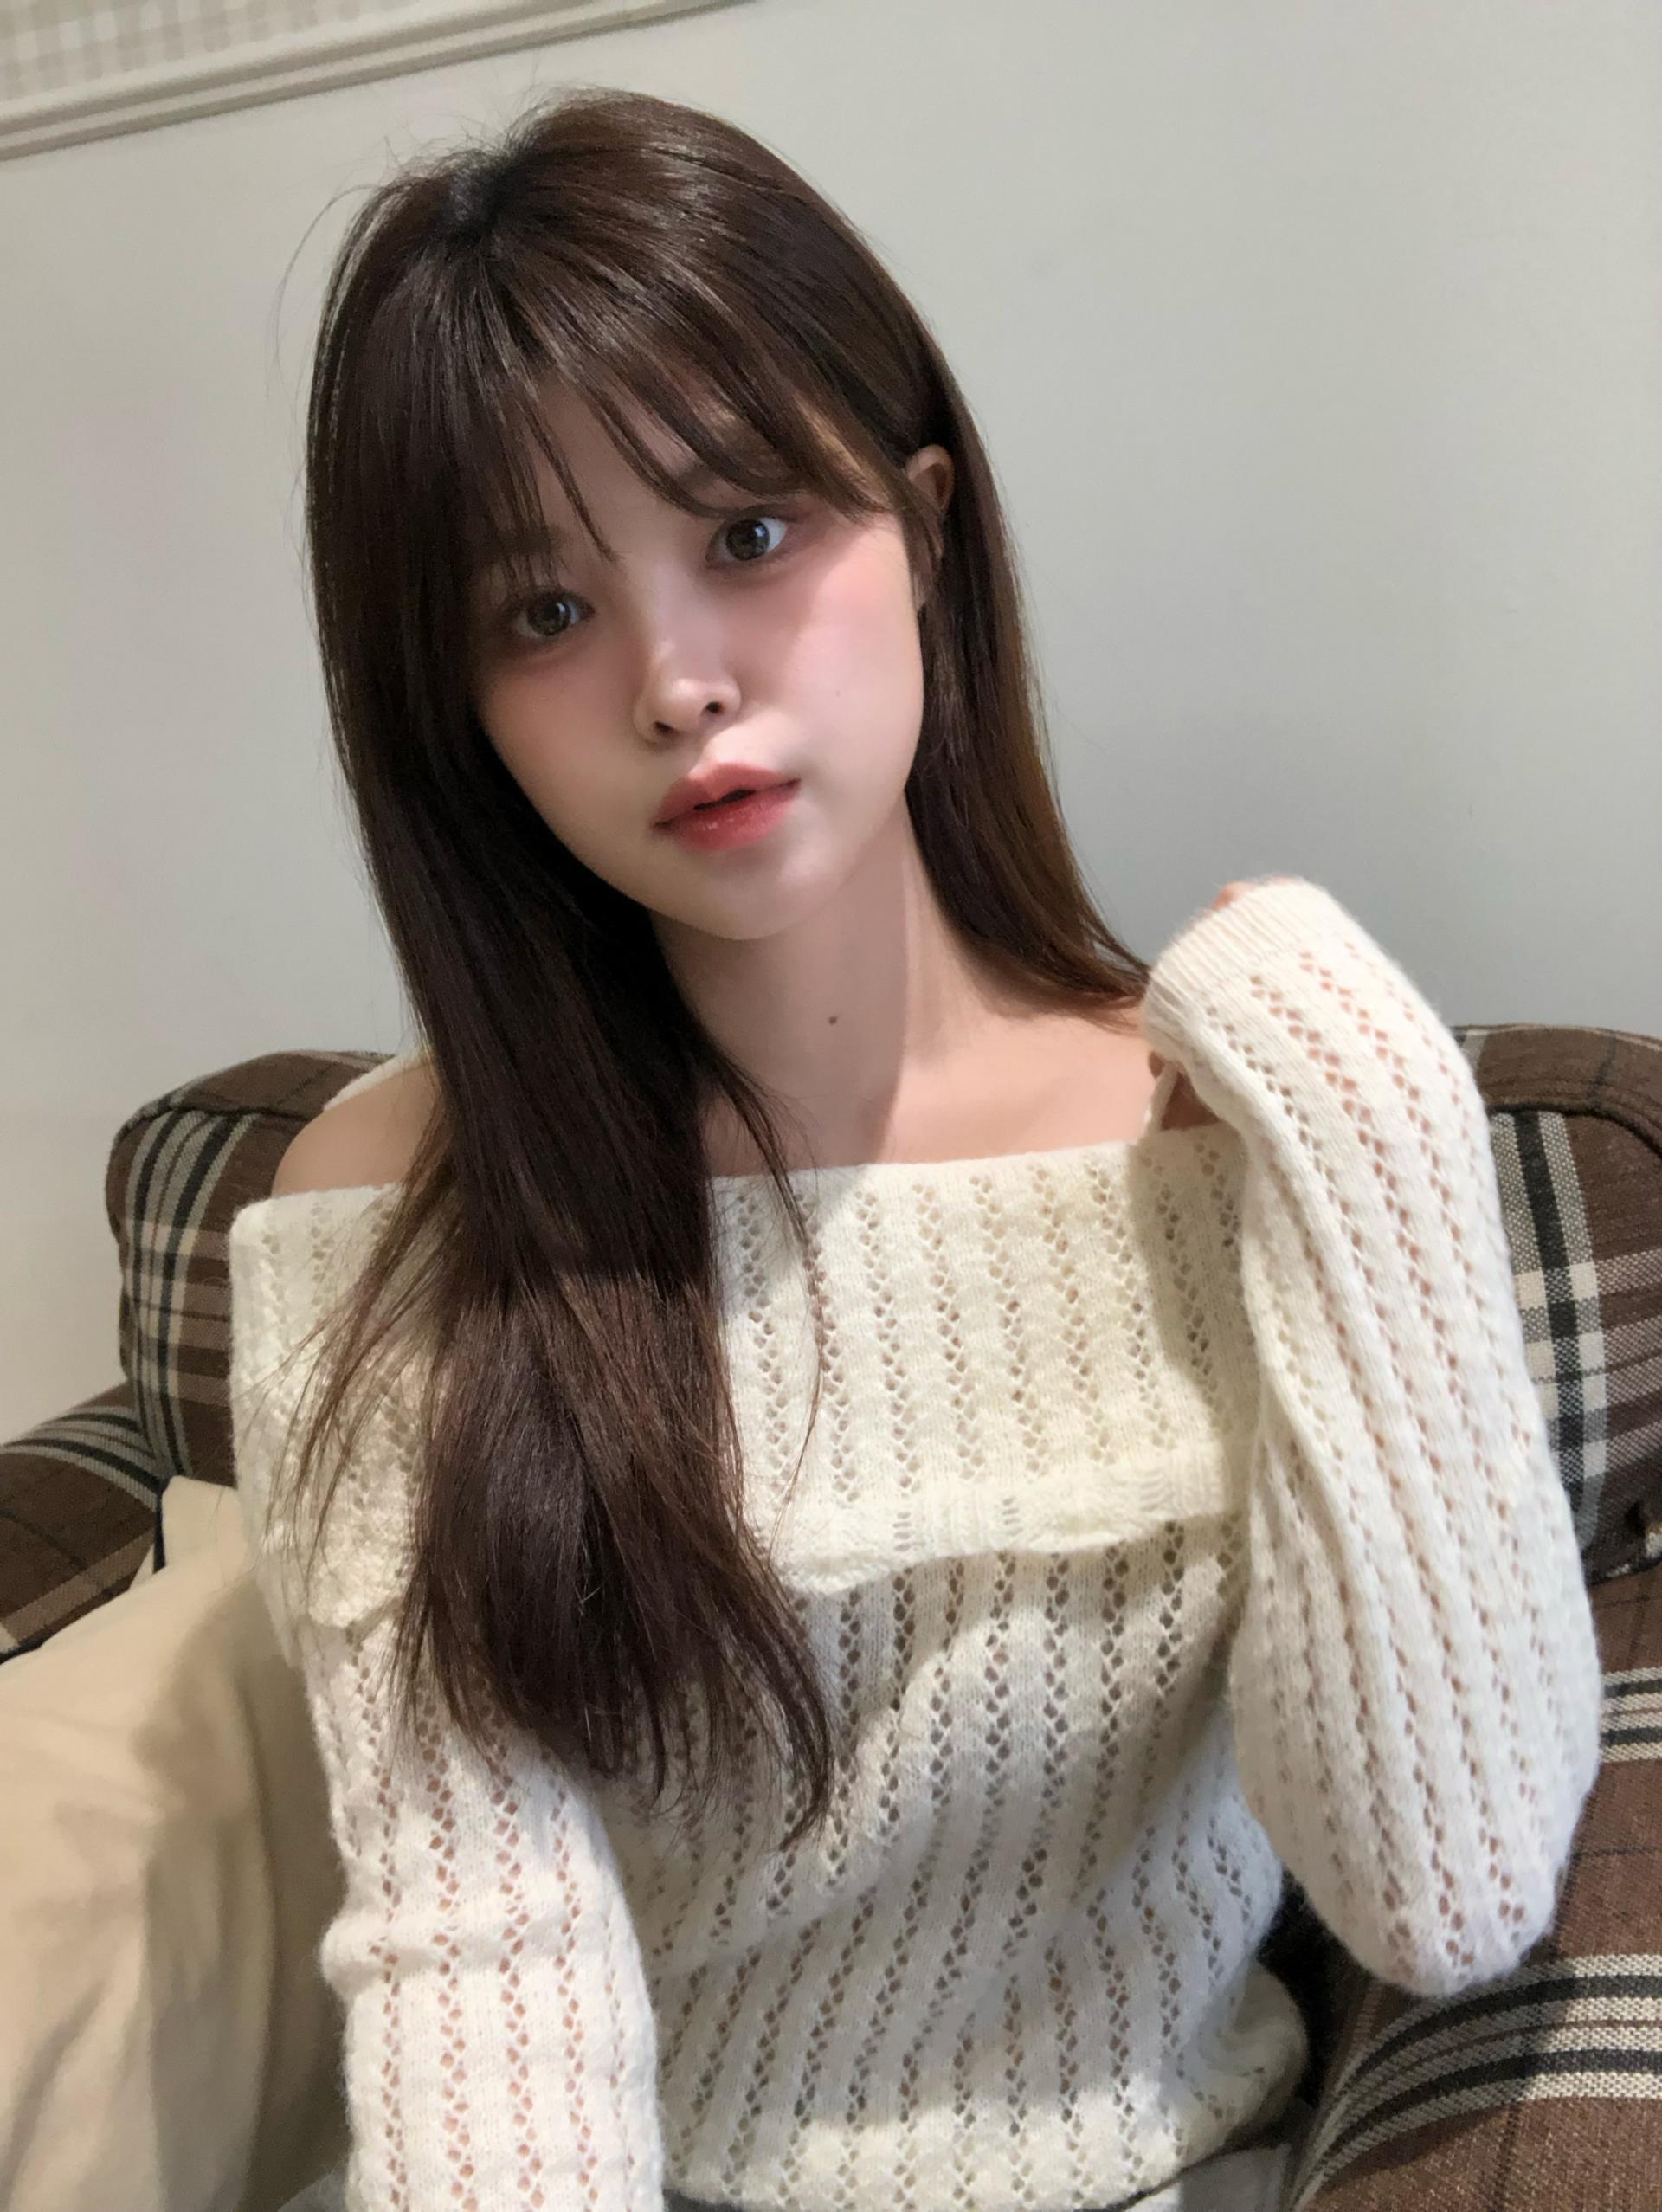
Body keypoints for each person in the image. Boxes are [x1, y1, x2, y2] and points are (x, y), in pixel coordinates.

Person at [229, 86, 1605, 2212]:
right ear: (459, 715)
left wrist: (1370, 1117)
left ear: (927, 527)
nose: (675, 683)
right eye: (541, 614)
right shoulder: (385, 1216)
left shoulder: (1227, 1128)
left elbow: (1448, 1889)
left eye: (746, 535)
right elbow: (474, 1962)